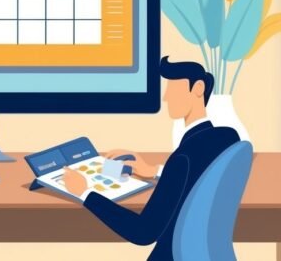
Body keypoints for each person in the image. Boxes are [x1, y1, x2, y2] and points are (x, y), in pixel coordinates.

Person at [62, 56, 240, 260]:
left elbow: (143, 233)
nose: (165, 97)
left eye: (173, 89)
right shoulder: (227, 137)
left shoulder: (183, 158)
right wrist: (156, 171)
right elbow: (199, 177)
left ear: (198, 88)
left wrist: (85, 193)